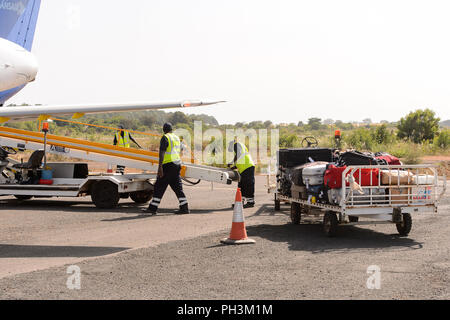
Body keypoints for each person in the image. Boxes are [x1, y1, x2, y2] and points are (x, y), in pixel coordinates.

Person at [142, 123, 189, 215]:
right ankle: (184, 207)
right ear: (171, 129)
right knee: (177, 188)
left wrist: (160, 167)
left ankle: (153, 208)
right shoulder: (176, 137)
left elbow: (162, 152)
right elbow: (183, 149)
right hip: (177, 165)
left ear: (164, 130)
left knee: (159, 186)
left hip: (167, 165)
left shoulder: (165, 137)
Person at [228, 140, 256, 208]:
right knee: (241, 185)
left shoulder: (236, 145)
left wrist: (232, 162)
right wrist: (234, 166)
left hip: (247, 167)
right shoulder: (239, 146)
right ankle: (240, 202)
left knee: (248, 185)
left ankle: (250, 202)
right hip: (244, 168)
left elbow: (239, 154)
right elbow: (239, 157)